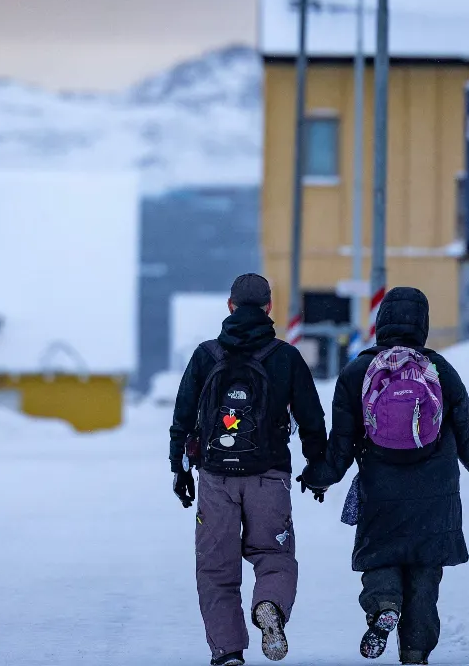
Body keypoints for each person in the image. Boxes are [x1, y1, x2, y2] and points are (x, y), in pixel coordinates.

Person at [300, 287, 469, 665]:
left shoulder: (358, 372)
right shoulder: (439, 370)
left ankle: (384, 606)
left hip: (381, 490)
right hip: (435, 492)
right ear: (423, 324)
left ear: (381, 322)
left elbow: (341, 444)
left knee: (381, 555)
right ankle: (415, 651)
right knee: (425, 570)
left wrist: (320, 477)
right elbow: (467, 431)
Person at [170, 273, 328, 666]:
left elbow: (183, 417)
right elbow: (312, 418)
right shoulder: (285, 356)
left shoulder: (206, 356)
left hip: (215, 477)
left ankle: (228, 651)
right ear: (269, 307)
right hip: (269, 475)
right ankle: (269, 604)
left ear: (230, 306)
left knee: (216, 569)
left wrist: (180, 468)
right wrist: (317, 467)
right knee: (274, 555)